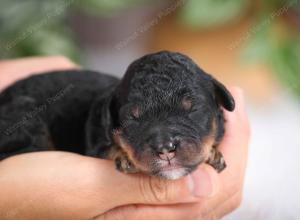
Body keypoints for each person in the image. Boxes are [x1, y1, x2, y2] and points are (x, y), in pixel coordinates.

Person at [0, 56, 250, 220]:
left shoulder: (216, 122)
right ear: (112, 120)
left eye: (191, 110)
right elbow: (96, 142)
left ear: (219, 102)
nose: (164, 147)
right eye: (135, 119)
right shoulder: (105, 120)